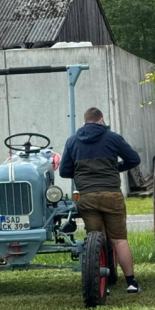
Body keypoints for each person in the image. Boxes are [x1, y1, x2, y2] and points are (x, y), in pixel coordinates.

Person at [60, 107, 142, 293]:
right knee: (119, 240)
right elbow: (133, 159)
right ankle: (131, 283)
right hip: (111, 195)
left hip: (87, 196)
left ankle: (101, 285)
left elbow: (64, 171)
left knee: (94, 240)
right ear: (101, 120)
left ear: (84, 122)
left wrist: (83, 173)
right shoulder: (113, 137)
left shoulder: (72, 141)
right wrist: (115, 168)